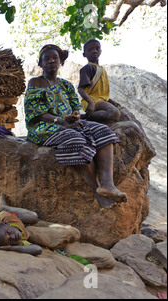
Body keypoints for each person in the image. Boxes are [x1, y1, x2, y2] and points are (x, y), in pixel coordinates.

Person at [24, 44, 127, 209]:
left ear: (61, 62)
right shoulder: (35, 82)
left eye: (55, 58)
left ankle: (108, 184)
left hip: (68, 124)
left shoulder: (65, 85)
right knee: (76, 140)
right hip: (45, 127)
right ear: (41, 64)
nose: (51, 61)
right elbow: (36, 112)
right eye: (47, 59)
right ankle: (96, 189)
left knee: (102, 131)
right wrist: (61, 121)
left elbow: (75, 108)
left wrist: (74, 117)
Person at [78, 39, 121, 123]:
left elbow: (100, 93)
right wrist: (90, 102)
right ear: (84, 54)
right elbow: (81, 89)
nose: (94, 51)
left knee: (120, 111)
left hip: (100, 101)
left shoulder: (102, 69)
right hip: (92, 101)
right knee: (114, 113)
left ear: (101, 51)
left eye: (97, 48)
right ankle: (86, 117)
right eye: (90, 50)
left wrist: (112, 102)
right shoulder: (88, 68)